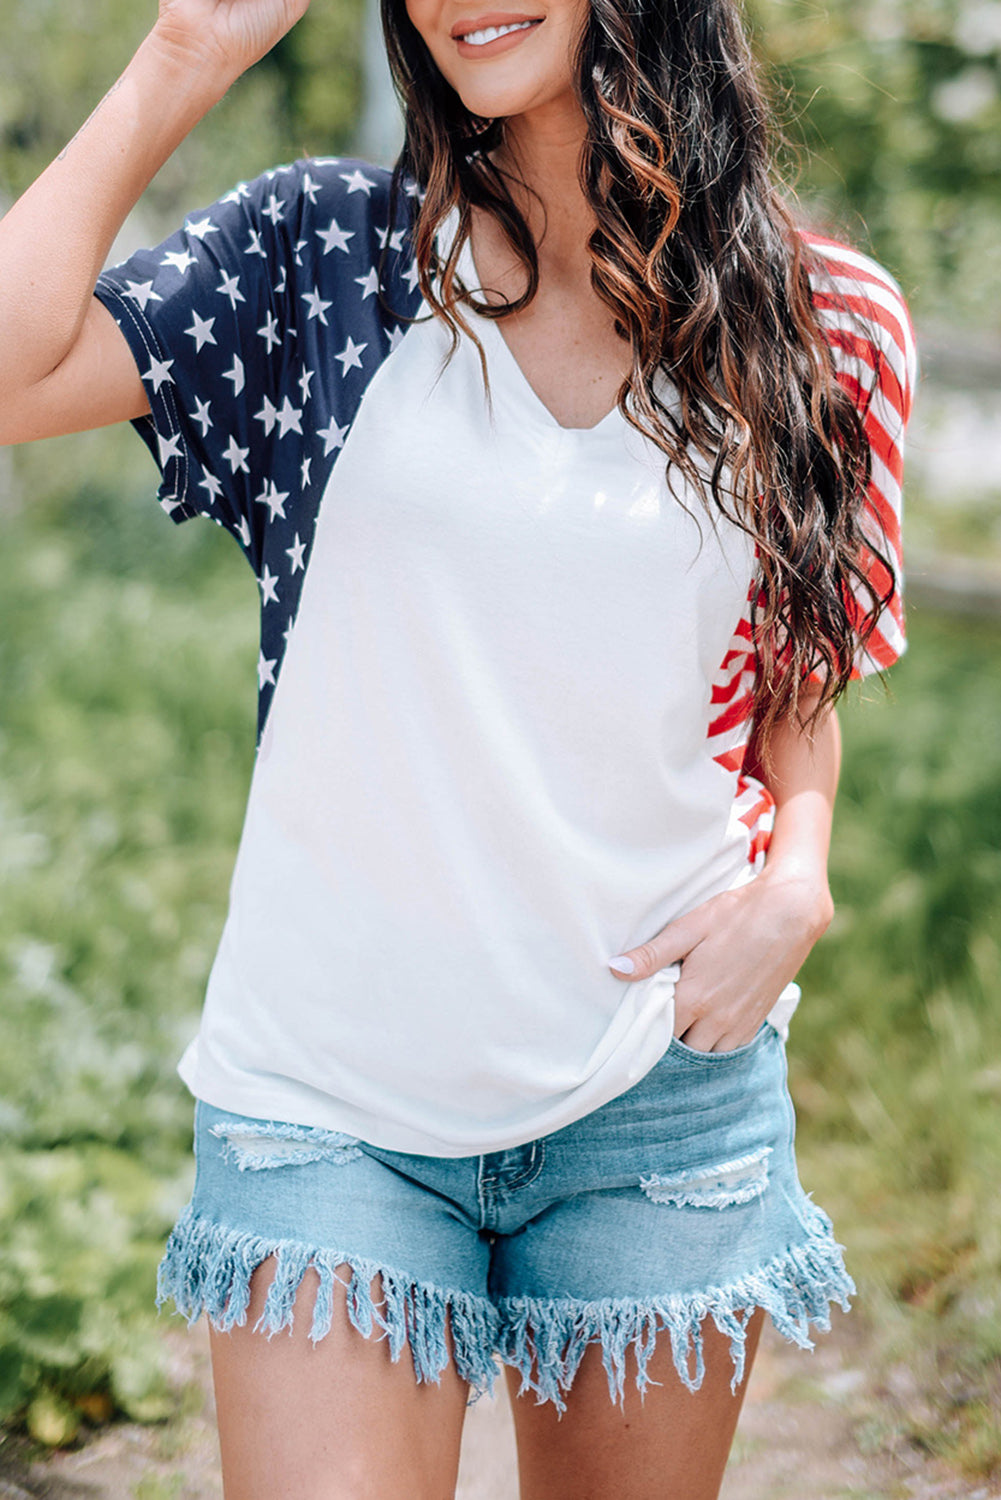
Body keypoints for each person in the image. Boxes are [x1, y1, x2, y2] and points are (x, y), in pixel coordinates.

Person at [0, 0, 917, 1494]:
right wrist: (181, 55)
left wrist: (797, 879)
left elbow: (791, 677)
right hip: (329, 1099)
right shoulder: (324, 262)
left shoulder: (827, 323)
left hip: (655, 1083)